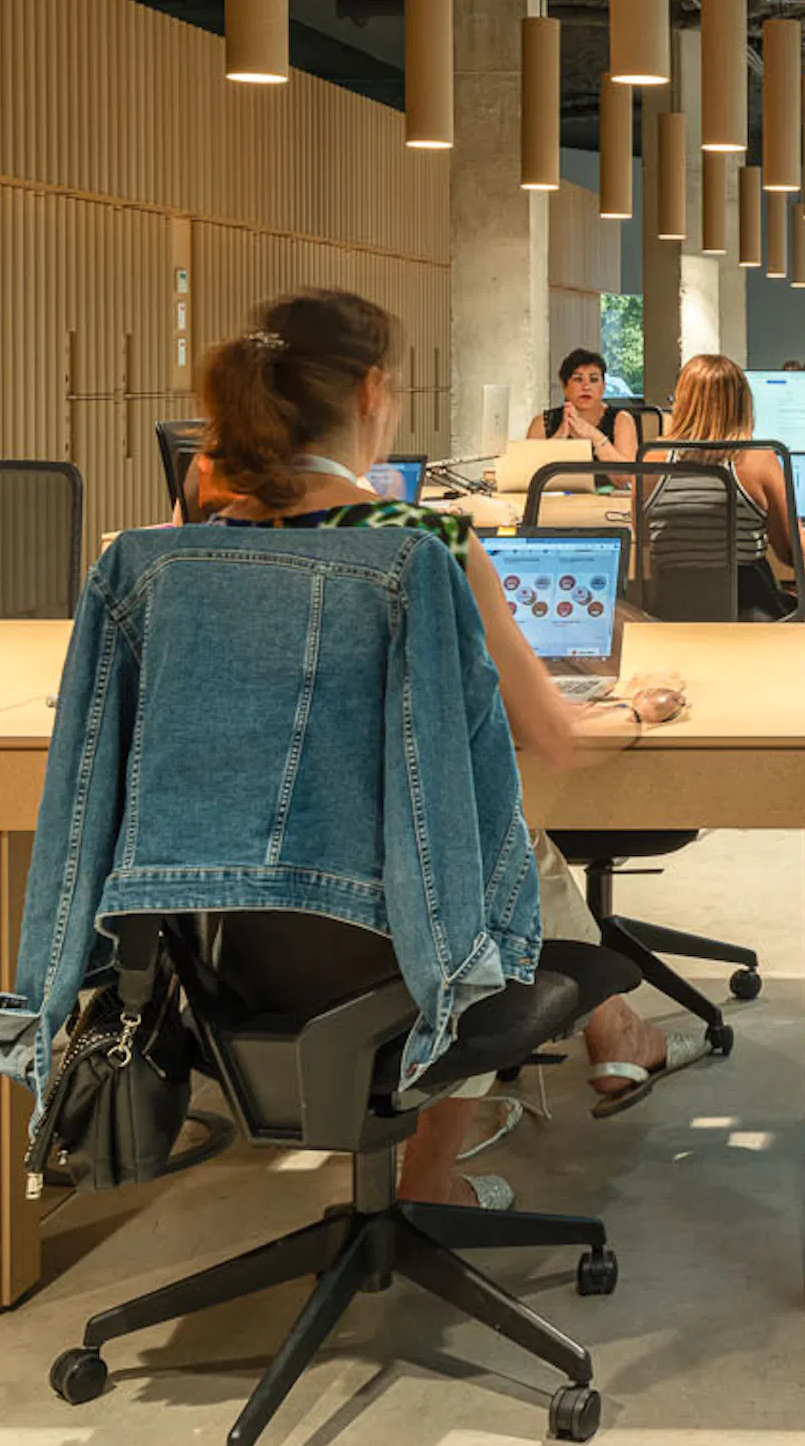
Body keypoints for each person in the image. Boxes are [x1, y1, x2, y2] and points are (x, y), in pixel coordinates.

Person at [184, 289, 716, 1180]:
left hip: (220, 935)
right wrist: (638, 708)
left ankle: (608, 1036)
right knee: (482, 823)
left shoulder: (174, 557)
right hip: (410, 937)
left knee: (485, 823)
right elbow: (558, 741)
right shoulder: (424, 545)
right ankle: (432, 1181)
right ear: (372, 393)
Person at [653, 351, 805, 614]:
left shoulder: (650, 459)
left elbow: (646, 540)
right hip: (746, 612)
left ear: (682, 401)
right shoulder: (758, 459)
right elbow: (796, 554)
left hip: (669, 612)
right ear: (743, 403)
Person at [528, 345, 641, 463]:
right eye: (578, 379)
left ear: (603, 387)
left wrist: (594, 436)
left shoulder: (622, 420)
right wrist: (560, 436)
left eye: (594, 380)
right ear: (564, 386)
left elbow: (628, 472)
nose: (586, 387)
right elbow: (528, 469)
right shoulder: (542, 423)